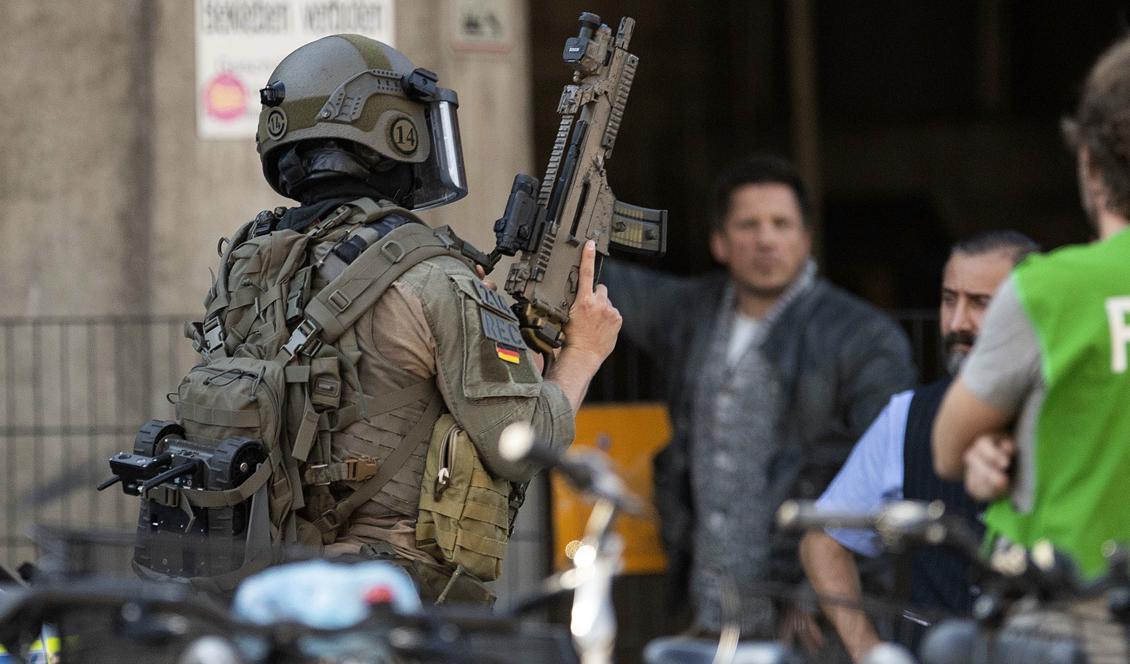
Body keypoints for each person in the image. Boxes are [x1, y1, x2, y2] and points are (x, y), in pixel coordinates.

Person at [219, 35, 621, 602]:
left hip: (268, 584)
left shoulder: (246, 264)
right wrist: (583, 353)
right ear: (397, 133)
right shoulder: (432, 278)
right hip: (388, 599)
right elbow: (524, 443)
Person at [602, 155, 916, 642]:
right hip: (709, 609)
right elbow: (613, 285)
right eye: (748, 225)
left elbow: (885, 470)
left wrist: (822, 586)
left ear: (806, 239)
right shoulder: (694, 313)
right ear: (719, 243)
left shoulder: (864, 338)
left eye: (781, 224)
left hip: (804, 614)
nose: (765, 239)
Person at [933, 35, 1130, 582]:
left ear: (1090, 165)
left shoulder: (1052, 289)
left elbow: (948, 448)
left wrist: (1003, 440)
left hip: (1074, 602)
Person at [800, 231, 1039, 661]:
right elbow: (823, 539)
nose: (957, 323)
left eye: (981, 303)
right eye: (950, 300)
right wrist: (869, 651)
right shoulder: (908, 416)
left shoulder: (1076, 415)